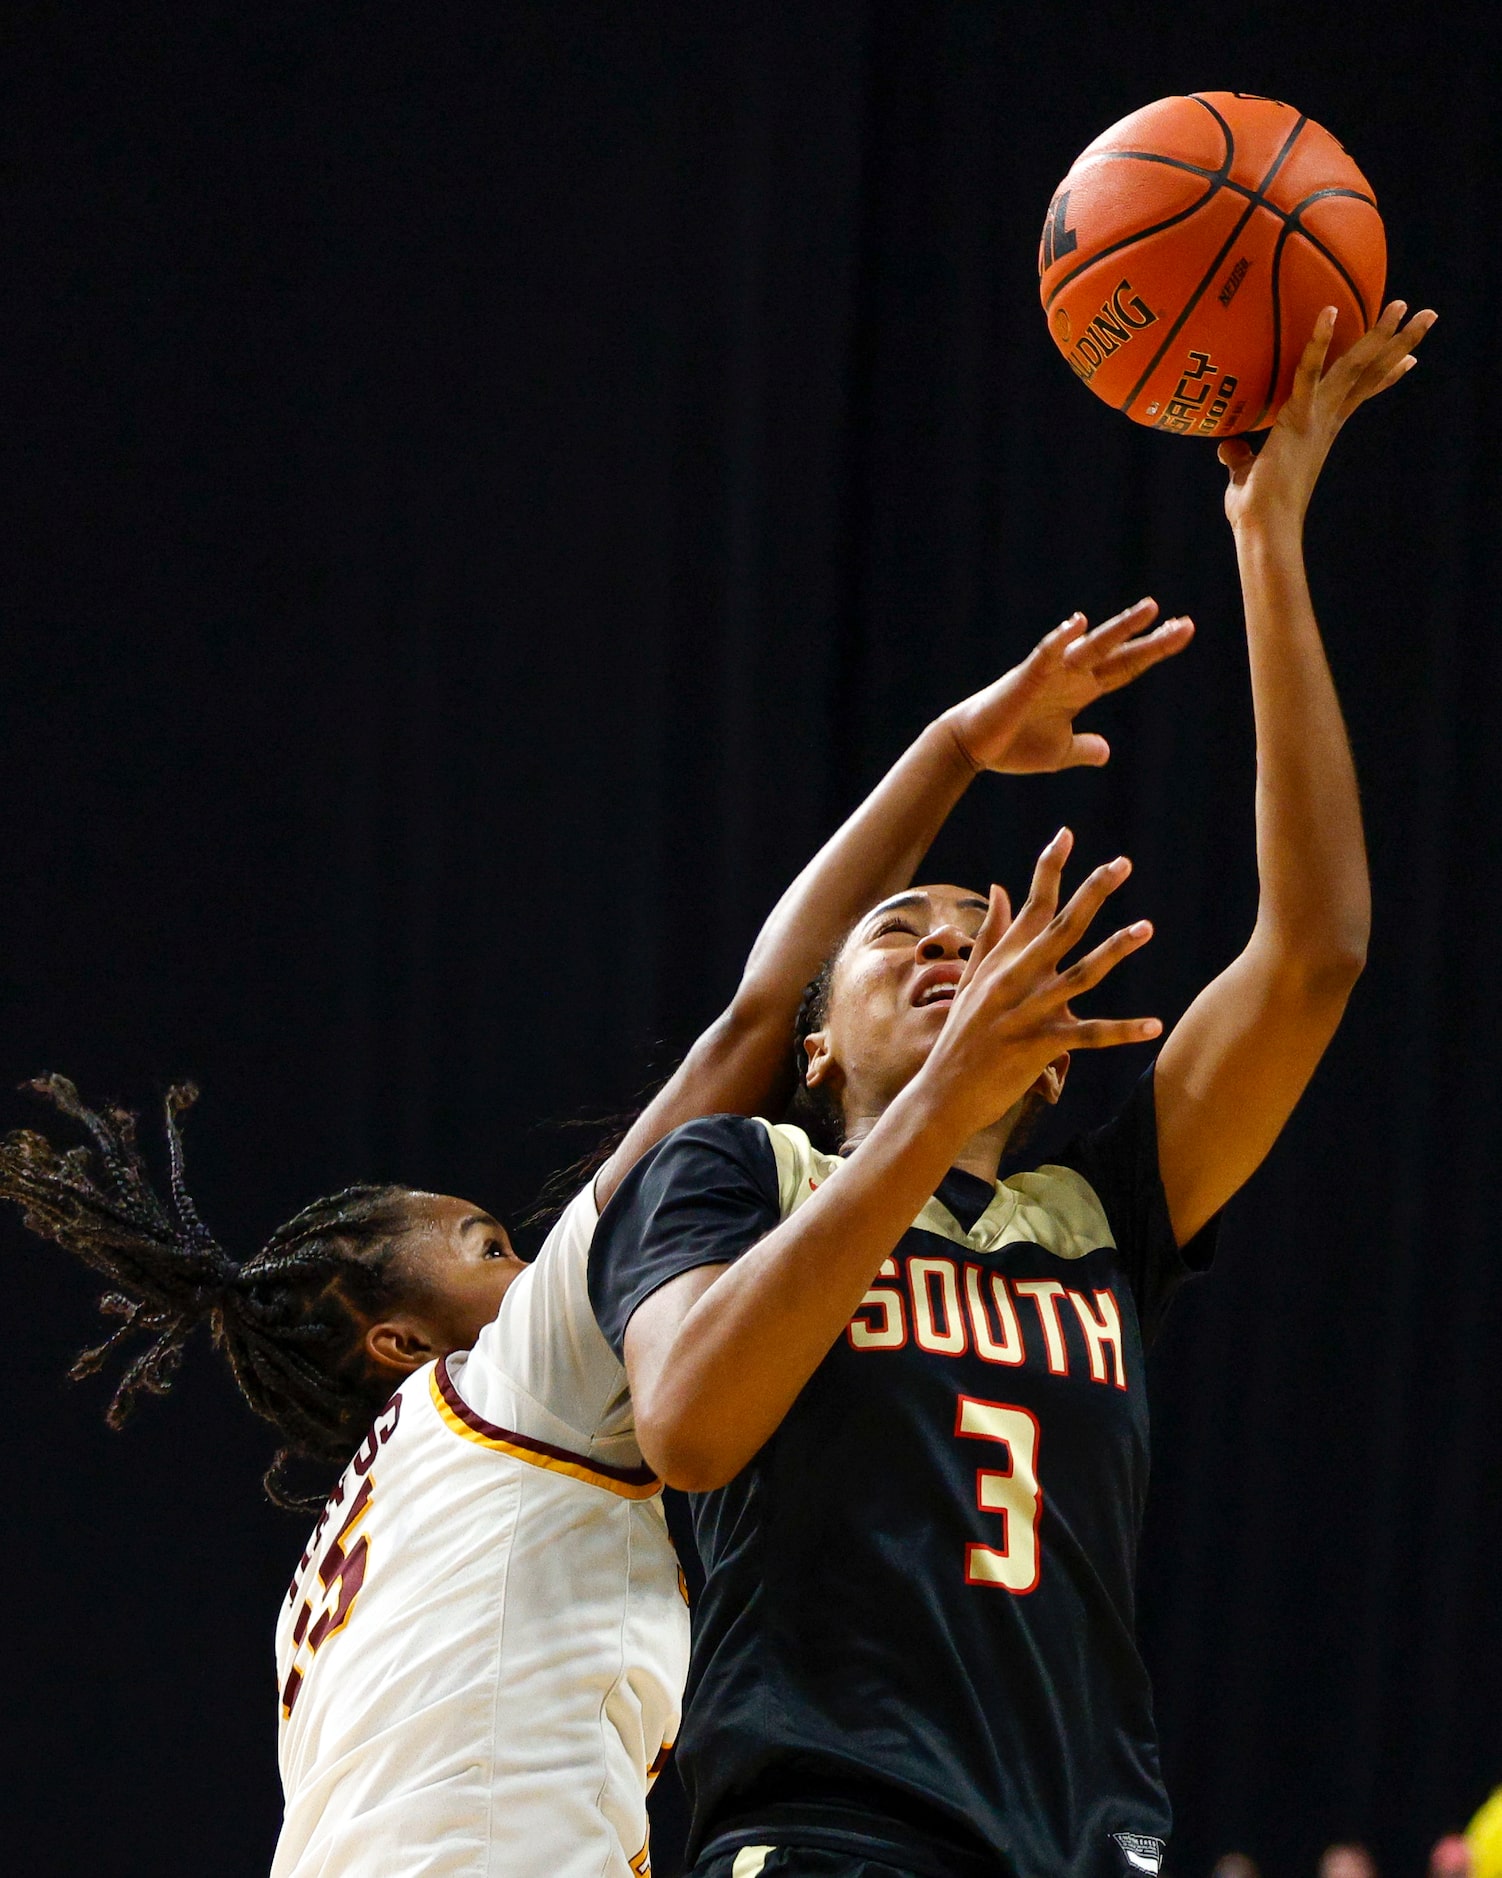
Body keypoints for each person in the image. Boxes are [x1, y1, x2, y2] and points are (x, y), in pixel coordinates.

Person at [0, 601, 1189, 1878]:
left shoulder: (329, 1574)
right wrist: (948, 750)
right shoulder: (512, 1368)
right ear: (396, 1338)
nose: (538, 1258)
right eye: (486, 1243)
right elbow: (745, 1031)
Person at [591, 301, 1435, 1878]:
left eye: (979, 934)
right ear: (818, 1041)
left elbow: (1316, 950)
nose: (946, 944)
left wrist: (1266, 535)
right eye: (900, 932)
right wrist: (925, 1118)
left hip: (1082, 1836)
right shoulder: (728, 1171)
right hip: (829, 1826)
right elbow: (693, 1426)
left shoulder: (1100, 1207)